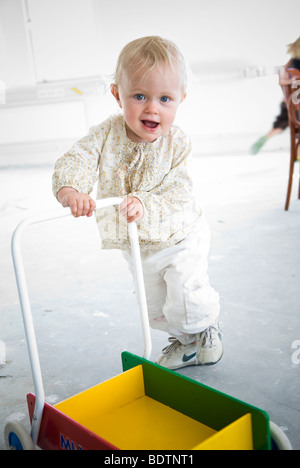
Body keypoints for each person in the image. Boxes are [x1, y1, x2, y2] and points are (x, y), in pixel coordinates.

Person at [52, 36, 222, 370]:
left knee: (186, 296)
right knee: (155, 306)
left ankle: (205, 331)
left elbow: (179, 190)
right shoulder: (106, 133)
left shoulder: (178, 142)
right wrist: (71, 189)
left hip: (180, 234)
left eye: (165, 98)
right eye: (140, 96)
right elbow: (78, 158)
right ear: (118, 94)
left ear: (180, 99)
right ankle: (185, 342)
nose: (152, 108)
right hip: (138, 243)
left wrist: (145, 204)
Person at [250, 36, 300, 155]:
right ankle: (297, 155)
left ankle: (267, 136)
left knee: (282, 124)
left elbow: (284, 82)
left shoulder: (290, 64)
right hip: (297, 104)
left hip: (287, 102)